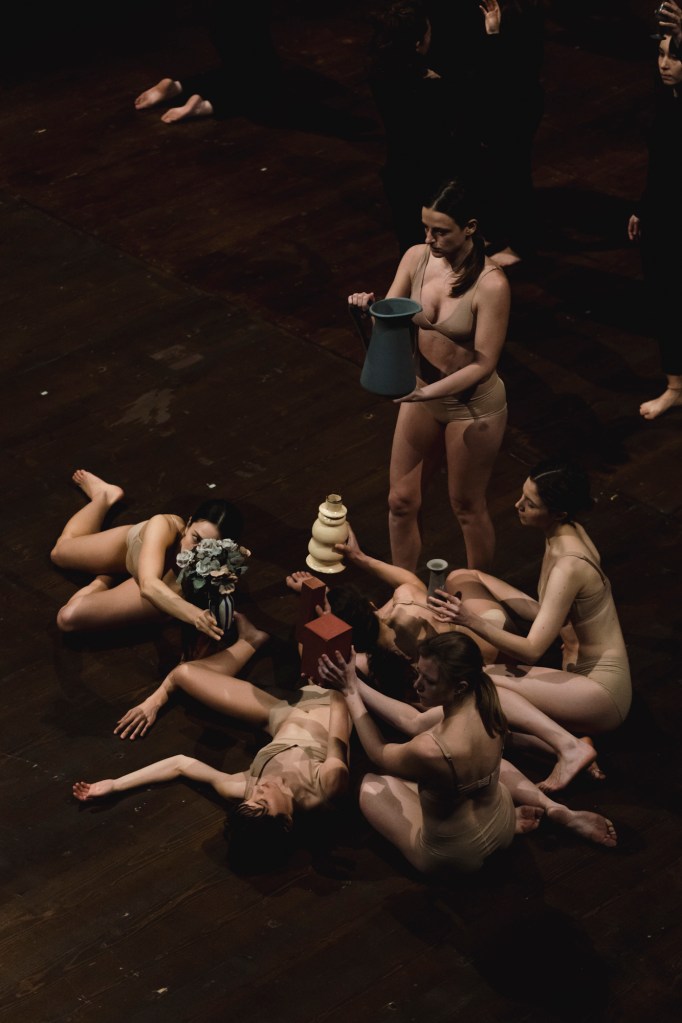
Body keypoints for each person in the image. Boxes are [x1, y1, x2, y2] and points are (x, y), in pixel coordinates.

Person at [286, 524, 600, 794]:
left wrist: (309, 600)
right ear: (368, 605)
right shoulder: (405, 602)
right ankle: (555, 622)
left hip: (478, 669)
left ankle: (563, 745)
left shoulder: (367, 665)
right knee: (464, 575)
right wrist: (360, 559)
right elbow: (407, 581)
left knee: (488, 723)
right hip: (490, 641)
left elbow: (310, 652)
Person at [318, 633, 616, 876]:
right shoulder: (488, 698)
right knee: (483, 767)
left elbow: (379, 753)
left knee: (371, 784)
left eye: (428, 681)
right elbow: (412, 720)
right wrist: (355, 682)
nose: (416, 685)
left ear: (458, 686)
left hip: (454, 857)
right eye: (419, 674)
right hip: (500, 822)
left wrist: (350, 694)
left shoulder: (430, 748)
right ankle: (552, 808)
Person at [74, 615, 351, 868]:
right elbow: (340, 701)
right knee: (324, 623)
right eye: (264, 803)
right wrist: (327, 682)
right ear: (287, 822)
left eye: (252, 799)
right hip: (329, 694)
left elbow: (180, 765)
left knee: (183, 674)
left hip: (277, 713)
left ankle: (250, 640)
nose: (259, 790)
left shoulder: (241, 788)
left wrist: (115, 784)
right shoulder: (326, 785)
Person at [428, 460, 631, 789]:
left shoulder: (569, 564)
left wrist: (469, 619)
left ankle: (570, 747)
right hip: (576, 668)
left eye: (530, 503)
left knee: (482, 682)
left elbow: (533, 650)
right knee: (467, 575)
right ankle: (561, 736)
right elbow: (559, 609)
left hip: (601, 694)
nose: (517, 505)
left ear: (558, 513)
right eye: (523, 496)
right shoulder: (565, 532)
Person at [348, 179, 510, 573]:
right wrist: (366, 314)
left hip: (471, 406)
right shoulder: (416, 258)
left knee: (466, 506)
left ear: (469, 228)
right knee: (401, 501)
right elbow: (389, 324)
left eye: (440, 231)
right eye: (426, 228)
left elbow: (483, 364)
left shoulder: (491, 284)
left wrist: (427, 393)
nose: (429, 239)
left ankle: (478, 591)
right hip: (422, 394)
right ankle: (404, 588)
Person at [51, 469, 243, 640]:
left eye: (208, 547)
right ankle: (104, 495)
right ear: (189, 523)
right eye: (195, 538)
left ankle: (106, 577)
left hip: (162, 586)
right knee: (59, 553)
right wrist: (195, 615)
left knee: (67, 618)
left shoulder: (218, 568)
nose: (196, 550)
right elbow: (148, 584)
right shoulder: (164, 525)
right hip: (131, 553)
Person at [367, 2, 480, 252]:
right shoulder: (430, 87)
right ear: (417, 44)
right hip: (432, 173)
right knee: (438, 245)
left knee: (411, 244)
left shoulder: (378, 71)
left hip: (399, 168)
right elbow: (453, 124)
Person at [628, 9, 682, 419]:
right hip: (664, 217)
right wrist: (642, 208)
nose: (664, 64)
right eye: (661, 54)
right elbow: (660, 166)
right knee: (667, 302)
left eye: (674, 56)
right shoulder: (666, 102)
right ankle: (676, 386)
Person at [134, 1, 279, 123]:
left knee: (236, 67)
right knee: (266, 84)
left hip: (221, 18)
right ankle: (205, 106)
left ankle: (177, 88)